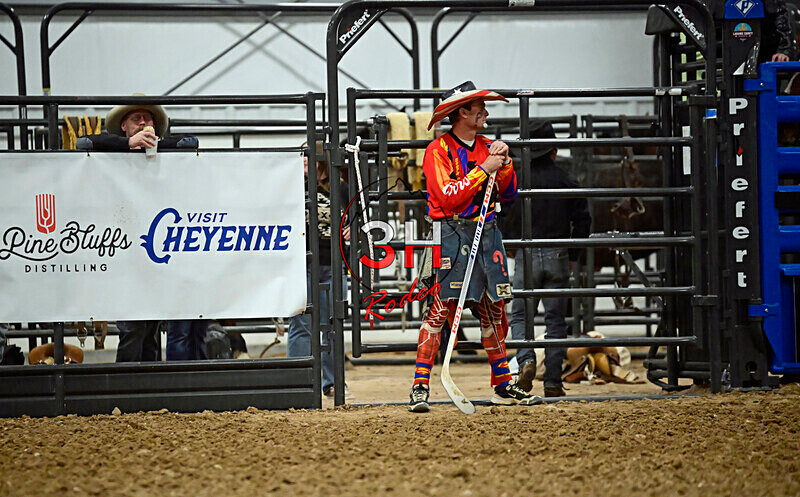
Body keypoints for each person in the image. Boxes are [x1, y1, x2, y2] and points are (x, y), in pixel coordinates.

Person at [408, 81, 541, 413]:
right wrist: (485, 170)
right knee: (439, 311)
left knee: (494, 311)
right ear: (461, 112)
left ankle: (502, 384)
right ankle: (420, 387)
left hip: (486, 233)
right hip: (451, 234)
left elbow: (508, 194)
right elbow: (447, 196)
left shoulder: (488, 147)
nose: (485, 111)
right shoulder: (437, 151)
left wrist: (506, 164)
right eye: (478, 106)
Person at [77, 98, 203, 362]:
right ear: (124, 125)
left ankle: (147, 387)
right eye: (137, 119)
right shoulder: (111, 152)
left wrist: (151, 143)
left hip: (151, 248)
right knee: (133, 326)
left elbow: (191, 142)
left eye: (148, 119)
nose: (144, 123)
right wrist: (128, 145)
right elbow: (84, 143)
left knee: (150, 327)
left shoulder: (160, 152)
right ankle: (128, 384)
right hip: (122, 249)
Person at [506, 120, 591, 398]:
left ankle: (526, 359)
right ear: (554, 150)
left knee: (520, 315)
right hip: (557, 251)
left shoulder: (517, 180)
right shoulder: (566, 180)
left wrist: (510, 244)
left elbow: (504, 214)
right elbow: (583, 220)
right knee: (555, 320)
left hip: (525, 252)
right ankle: (553, 381)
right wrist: (572, 255)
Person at [287, 141, 352, 399]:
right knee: (300, 322)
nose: (304, 160)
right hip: (301, 263)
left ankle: (332, 381)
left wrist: (353, 228)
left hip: (332, 263)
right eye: (302, 156)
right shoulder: (292, 189)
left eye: (309, 156)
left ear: (323, 162)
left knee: (331, 324)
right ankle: (298, 380)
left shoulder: (343, 189)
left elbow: (356, 218)